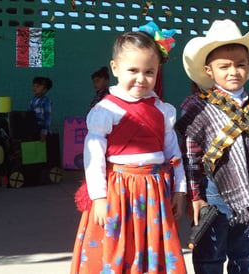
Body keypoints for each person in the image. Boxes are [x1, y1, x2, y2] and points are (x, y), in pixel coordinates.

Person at [70, 21, 187, 274]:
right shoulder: (105, 110)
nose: (141, 79)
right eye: (132, 70)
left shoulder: (163, 111)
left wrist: (179, 189)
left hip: (155, 191)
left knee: (151, 248)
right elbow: (94, 156)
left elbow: (173, 154)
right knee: (117, 247)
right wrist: (98, 197)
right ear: (115, 68)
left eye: (149, 72)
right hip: (117, 191)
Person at [175, 19, 249, 274]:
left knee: (245, 256)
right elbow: (191, 157)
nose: (233, 71)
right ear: (209, 70)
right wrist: (196, 197)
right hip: (212, 194)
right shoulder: (199, 107)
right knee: (209, 256)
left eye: (240, 65)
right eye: (224, 66)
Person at [28, 76, 52, 142]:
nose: (34, 88)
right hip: (33, 130)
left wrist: (44, 132)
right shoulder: (32, 101)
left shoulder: (46, 101)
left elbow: (47, 117)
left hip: (42, 131)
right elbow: (29, 115)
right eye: (34, 86)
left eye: (38, 86)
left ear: (45, 90)